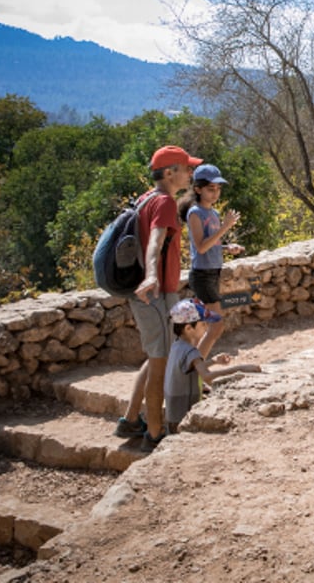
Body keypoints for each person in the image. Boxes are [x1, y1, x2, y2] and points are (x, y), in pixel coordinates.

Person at [114, 144, 201, 453]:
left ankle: (130, 419)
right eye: (186, 168)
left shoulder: (146, 199)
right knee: (161, 363)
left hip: (151, 292)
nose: (190, 173)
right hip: (156, 293)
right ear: (169, 173)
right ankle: (154, 433)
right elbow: (154, 243)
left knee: (154, 357)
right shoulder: (164, 202)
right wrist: (152, 275)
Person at [164, 298, 261, 434]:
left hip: (173, 412)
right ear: (188, 328)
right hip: (184, 413)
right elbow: (207, 377)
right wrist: (240, 369)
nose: (206, 327)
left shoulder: (177, 345)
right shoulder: (192, 351)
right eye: (203, 324)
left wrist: (213, 361)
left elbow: (189, 368)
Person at [178, 163, 244, 362]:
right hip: (202, 275)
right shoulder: (195, 213)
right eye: (210, 189)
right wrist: (225, 227)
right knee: (216, 326)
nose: (215, 193)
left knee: (206, 328)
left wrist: (227, 248)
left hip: (213, 272)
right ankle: (195, 372)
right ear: (198, 189)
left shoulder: (213, 213)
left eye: (218, 189)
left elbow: (212, 244)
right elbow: (200, 247)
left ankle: (191, 370)